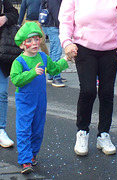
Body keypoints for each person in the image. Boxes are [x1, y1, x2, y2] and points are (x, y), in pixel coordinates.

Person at [59, 0, 117, 156]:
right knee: (88, 90)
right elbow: (65, 20)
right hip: (83, 47)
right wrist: (66, 42)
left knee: (106, 92)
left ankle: (103, 134)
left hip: (111, 49)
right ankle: (82, 131)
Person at [10, 22, 69, 174]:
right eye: (29, 41)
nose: (34, 43)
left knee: (37, 129)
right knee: (24, 129)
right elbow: (16, 80)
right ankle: (25, 160)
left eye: (36, 39)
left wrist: (66, 59)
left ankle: (33, 154)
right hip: (24, 100)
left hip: (40, 100)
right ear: (22, 45)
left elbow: (54, 68)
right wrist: (32, 73)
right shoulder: (19, 62)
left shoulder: (43, 57)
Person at [0, 0, 18, 148]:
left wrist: (5, 18)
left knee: (2, 93)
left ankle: (0, 130)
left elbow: (14, 13)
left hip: (1, 52)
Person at [41, 0, 66, 87]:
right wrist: (62, 24)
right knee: (56, 50)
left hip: (49, 24)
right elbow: (55, 11)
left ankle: (51, 74)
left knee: (53, 50)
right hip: (54, 25)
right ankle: (56, 76)